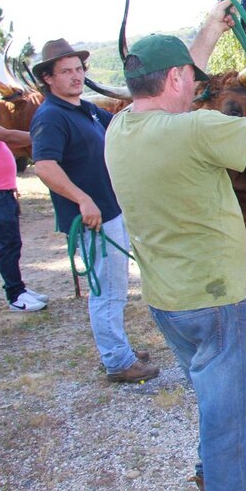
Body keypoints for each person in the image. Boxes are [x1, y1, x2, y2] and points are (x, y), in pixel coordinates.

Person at [105, 0, 246, 491]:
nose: (197, 84)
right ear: (174, 80)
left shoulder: (121, 128)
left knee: (215, 404)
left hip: (168, 301)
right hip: (214, 302)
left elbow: (173, 78)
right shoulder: (195, 131)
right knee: (229, 419)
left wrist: (210, 31)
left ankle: (223, 489)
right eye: (190, 78)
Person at [29, 39, 158, 383]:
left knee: (114, 286)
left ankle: (119, 348)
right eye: (66, 71)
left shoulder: (82, 109)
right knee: (108, 291)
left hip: (110, 211)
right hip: (92, 219)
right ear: (48, 78)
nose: (76, 76)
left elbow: (120, 122)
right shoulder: (51, 116)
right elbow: (44, 165)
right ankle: (118, 361)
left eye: (79, 69)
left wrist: (153, 98)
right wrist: (82, 199)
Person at [0, 78, 48, 310]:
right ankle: (15, 296)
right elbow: (7, 136)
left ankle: (19, 289)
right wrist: (44, 136)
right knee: (7, 243)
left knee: (12, 241)